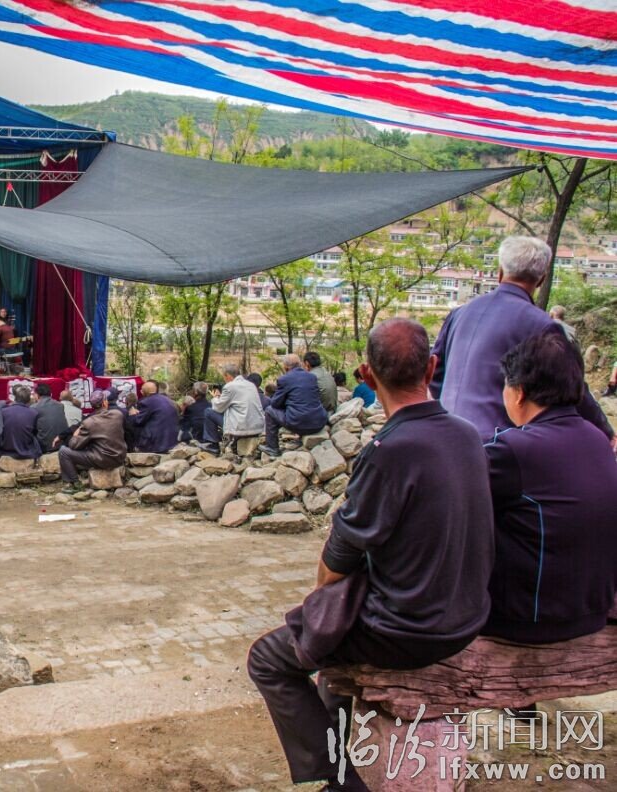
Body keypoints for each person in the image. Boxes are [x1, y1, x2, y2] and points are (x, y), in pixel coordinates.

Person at [247, 319, 493, 791]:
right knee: (329, 652)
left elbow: (337, 561)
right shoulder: (468, 434)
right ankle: (340, 767)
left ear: (367, 374)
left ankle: (340, 780)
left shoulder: (388, 450)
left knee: (268, 659)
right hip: (466, 617)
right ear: (432, 368)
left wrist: (321, 601)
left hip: (406, 631)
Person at [482, 331, 617, 644]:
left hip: (528, 621)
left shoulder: (512, 450)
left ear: (519, 392)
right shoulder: (597, 440)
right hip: (591, 613)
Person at [432, 235, 613, 446]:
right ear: (542, 279)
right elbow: (572, 388)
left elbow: (435, 375)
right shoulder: (543, 326)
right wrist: (605, 431)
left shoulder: (459, 313)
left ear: (500, 272)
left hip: (446, 437)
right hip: (498, 445)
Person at [258, 355, 328, 458]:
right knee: (302, 408)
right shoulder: (312, 377)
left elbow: (275, 403)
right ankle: (299, 439)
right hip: (318, 422)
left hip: (298, 423)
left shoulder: (284, 379)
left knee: (269, 410)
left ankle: (272, 448)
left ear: (286, 367)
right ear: (300, 364)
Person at [58, 390, 126, 485]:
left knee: (63, 451)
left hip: (102, 459)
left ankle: (74, 483)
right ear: (104, 403)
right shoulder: (118, 414)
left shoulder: (89, 422)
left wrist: (75, 435)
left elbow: (73, 445)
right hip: (119, 457)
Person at [202, 365, 265, 454]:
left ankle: (213, 445)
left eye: (224, 377)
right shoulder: (251, 385)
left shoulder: (230, 386)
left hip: (241, 428)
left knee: (208, 412)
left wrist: (215, 397)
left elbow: (218, 407)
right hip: (257, 427)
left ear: (227, 375)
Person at [127, 381, 179, 454]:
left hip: (156, 444)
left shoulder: (146, 402)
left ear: (142, 392)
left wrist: (132, 415)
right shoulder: (167, 399)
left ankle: (134, 448)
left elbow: (138, 421)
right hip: (171, 440)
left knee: (131, 425)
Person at [0, 385, 42, 461]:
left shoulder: (4, 411)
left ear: (15, 398)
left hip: (6, 448)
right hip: (26, 448)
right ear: (28, 400)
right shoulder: (34, 413)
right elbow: (35, 432)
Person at [32, 382, 70, 452]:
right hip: (62, 443)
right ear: (50, 394)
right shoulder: (60, 405)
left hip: (45, 446)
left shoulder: (34, 407)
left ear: (37, 395)